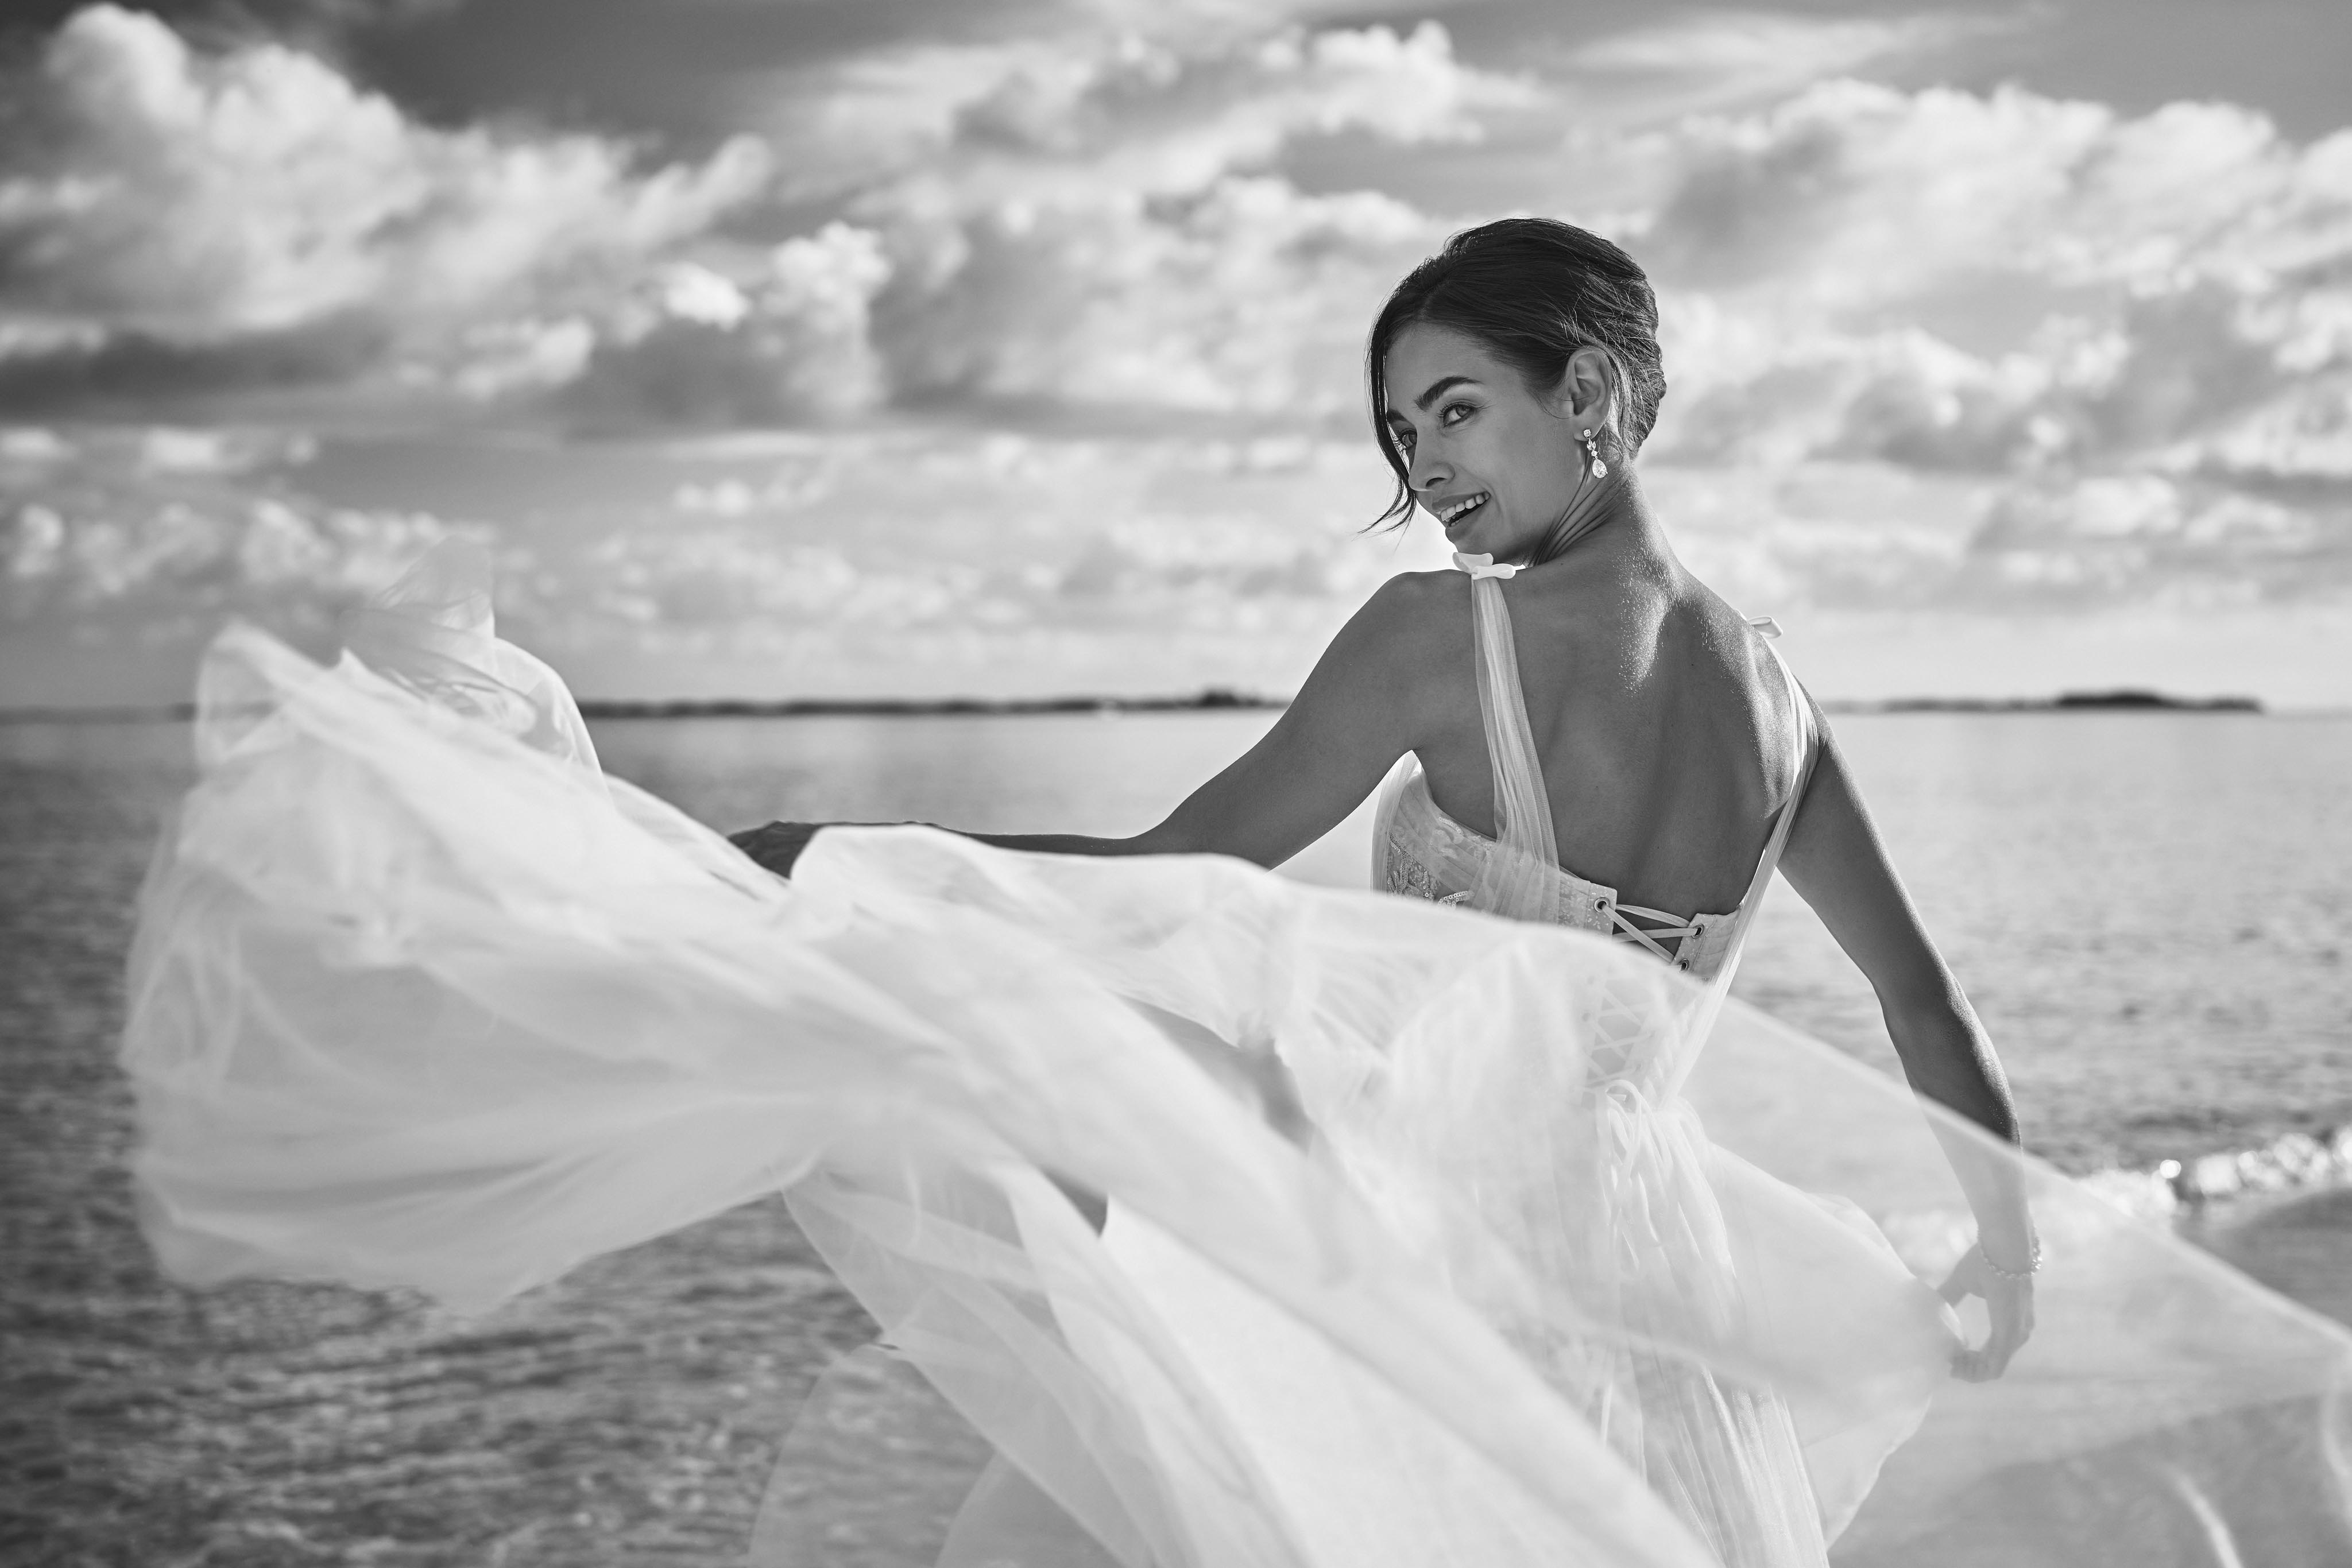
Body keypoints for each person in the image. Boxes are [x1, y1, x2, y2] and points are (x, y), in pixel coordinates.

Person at [121, 221, 2352, 1568]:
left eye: (1456, 411)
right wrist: (1985, 1259)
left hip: (1419, 1244)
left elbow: (1186, 869)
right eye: (1400, 436)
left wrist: (876, 864)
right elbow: (1934, 1024)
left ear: (1599, 391)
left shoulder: (1429, 644)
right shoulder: (1783, 699)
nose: (1425, 473)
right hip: (1654, 1257)